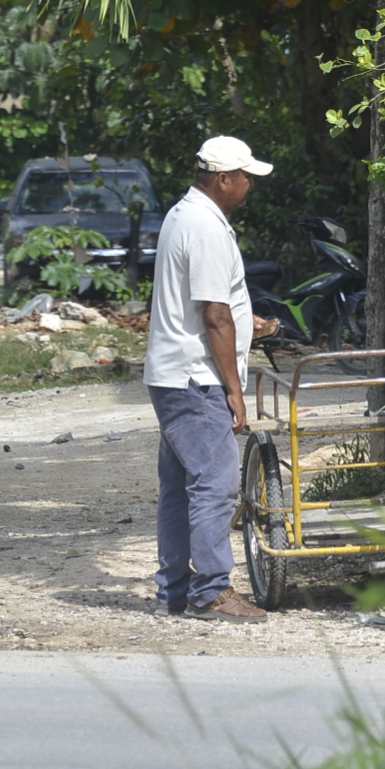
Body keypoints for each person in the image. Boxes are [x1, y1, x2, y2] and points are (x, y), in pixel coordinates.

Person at [142, 136, 272, 623]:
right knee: (214, 486)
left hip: (174, 372)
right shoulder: (205, 227)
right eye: (244, 177)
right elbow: (215, 315)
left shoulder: (185, 215)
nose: (249, 185)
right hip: (197, 378)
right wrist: (235, 391)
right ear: (223, 179)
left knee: (180, 487)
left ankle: (175, 591)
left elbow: (215, 308)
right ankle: (212, 591)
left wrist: (246, 322)